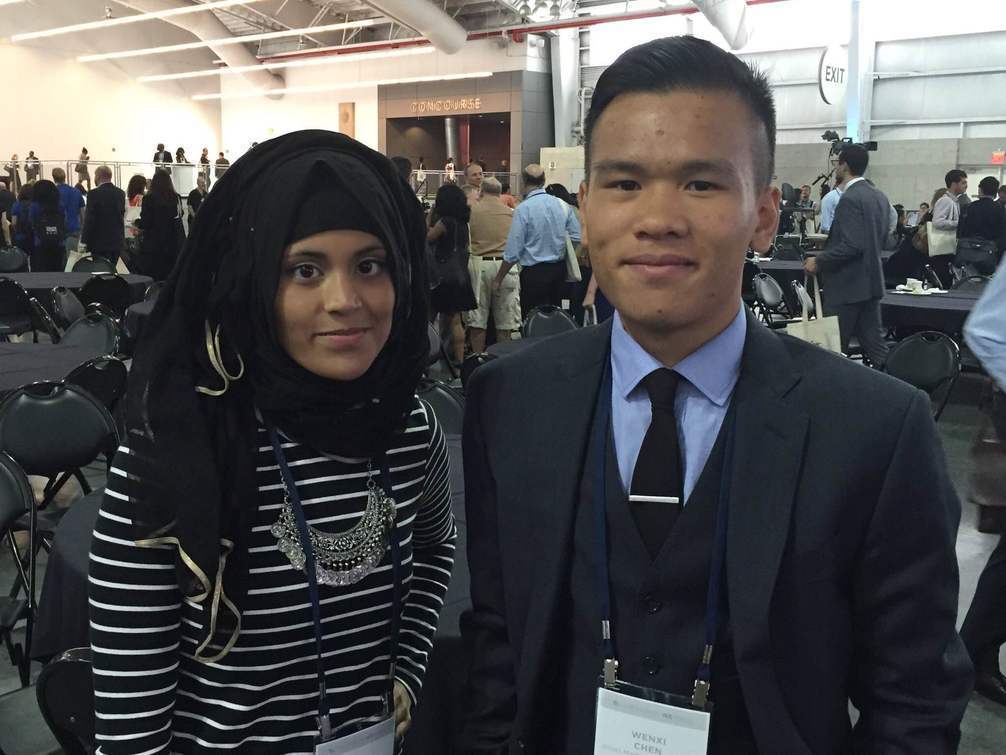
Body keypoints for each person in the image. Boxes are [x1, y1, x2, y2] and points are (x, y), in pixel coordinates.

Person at [460, 35, 971, 754]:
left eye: (701, 184)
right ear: (587, 206)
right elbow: (498, 639)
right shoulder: (512, 400)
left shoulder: (875, 430)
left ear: (764, 213)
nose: (658, 217)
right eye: (624, 183)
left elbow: (914, 702)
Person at [89, 129, 456, 753]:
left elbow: (435, 546)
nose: (345, 301)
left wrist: (407, 668)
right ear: (253, 281)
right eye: (305, 270)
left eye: (370, 265)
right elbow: (133, 729)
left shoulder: (408, 429)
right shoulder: (178, 452)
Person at [805, 145, 891, 366]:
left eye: (837, 163)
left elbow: (853, 245)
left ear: (844, 165)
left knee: (833, 351)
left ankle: (833, 388)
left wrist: (820, 260)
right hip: (871, 282)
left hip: (847, 285)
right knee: (877, 349)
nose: (836, 168)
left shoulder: (850, 198)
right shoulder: (879, 196)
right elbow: (881, 237)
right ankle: (898, 386)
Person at [493, 163, 580, 319]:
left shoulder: (523, 209)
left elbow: (513, 251)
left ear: (523, 181)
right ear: (544, 180)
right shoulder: (562, 205)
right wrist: (563, 250)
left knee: (533, 319)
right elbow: (576, 236)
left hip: (533, 274)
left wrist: (499, 278)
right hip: (559, 272)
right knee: (555, 317)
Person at [465, 177, 519, 353]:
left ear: (481, 191)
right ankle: (502, 359)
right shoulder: (511, 213)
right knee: (505, 322)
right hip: (506, 267)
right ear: (500, 192)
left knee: (477, 321)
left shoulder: (471, 212)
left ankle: (478, 359)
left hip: (479, 266)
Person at [427, 183, 477, 365]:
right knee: (456, 321)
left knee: (429, 319)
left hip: (442, 277)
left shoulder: (444, 222)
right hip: (460, 276)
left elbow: (427, 238)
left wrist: (429, 217)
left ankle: (428, 357)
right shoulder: (463, 223)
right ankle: (459, 361)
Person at [135, 169, 184, 280]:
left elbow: (146, 222)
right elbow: (180, 214)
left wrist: (137, 223)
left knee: (154, 276)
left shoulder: (149, 198)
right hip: (173, 243)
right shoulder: (176, 197)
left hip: (154, 244)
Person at [80, 165, 126, 266]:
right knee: (112, 268)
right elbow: (121, 214)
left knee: (100, 270)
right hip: (116, 241)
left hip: (98, 242)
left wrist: (84, 241)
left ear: (98, 176)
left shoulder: (93, 194)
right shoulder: (121, 193)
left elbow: (89, 219)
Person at [957, 176, 1006, 252]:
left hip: (968, 250)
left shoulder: (968, 207)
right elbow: (1002, 235)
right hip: (990, 252)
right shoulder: (1001, 209)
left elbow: (960, 232)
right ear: (996, 192)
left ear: (980, 189)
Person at [28, 179, 65, 272]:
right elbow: (64, 222)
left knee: (41, 271)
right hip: (58, 242)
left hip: (40, 243)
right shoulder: (60, 205)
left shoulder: (34, 206)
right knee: (57, 270)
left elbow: (31, 223)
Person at [52, 167, 85, 258]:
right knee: (72, 260)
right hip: (74, 230)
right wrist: (82, 230)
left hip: (58, 231)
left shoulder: (53, 192)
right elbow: (83, 214)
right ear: (65, 177)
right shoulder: (76, 192)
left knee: (58, 260)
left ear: (54, 178)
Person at [934, 168, 968, 232]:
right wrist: (959, 223)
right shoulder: (945, 200)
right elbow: (937, 222)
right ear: (954, 184)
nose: (966, 186)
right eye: (963, 183)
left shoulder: (954, 201)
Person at [10, 184, 34, 257]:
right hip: (33, 237)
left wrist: (17, 230)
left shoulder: (16, 205)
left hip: (20, 237)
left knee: (21, 259)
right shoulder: (34, 205)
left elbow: (14, 222)